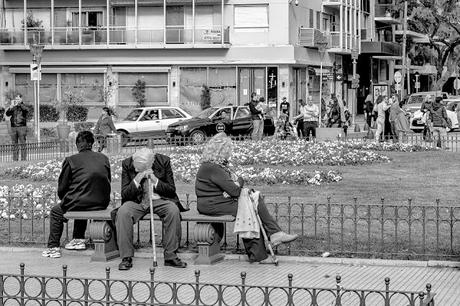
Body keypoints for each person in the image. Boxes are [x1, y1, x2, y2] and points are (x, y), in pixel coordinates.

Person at [195, 133, 298, 263]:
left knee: (253, 201)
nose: (230, 154)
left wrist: (234, 185)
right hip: (212, 204)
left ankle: (270, 241)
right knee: (249, 208)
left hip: (214, 202)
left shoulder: (211, 166)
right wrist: (240, 181)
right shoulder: (213, 167)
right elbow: (235, 190)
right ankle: (268, 243)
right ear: (222, 151)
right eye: (228, 151)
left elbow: (229, 188)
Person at [114, 147, 188, 270]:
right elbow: (125, 194)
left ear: (151, 163)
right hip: (137, 201)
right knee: (123, 212)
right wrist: (137, 178)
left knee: (173, 211)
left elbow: (171, 190)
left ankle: (171, 256)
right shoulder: (127, 164)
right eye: (136, 167)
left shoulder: (164, 161)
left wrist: (154, 180)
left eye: (141, 168)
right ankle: (126, 257)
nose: (136, 169)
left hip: (159, 199)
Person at [42, 131, 111, 258]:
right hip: (101, 202)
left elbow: (62, 186)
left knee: (56, 211)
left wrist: (65, 199)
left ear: (77, 145)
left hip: (80, 201)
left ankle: (53, 247)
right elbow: (108, 180)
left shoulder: (71, 160)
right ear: (91, 143)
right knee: (81, 199)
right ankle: (78, 239)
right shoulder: (103, 158)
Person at [5, 94, 28, 161]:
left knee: (23, 143)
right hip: (13, 127)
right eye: (16, 99)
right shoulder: (13, 107)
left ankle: (23, 159)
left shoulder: (24, 106)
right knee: (14, 143)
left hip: (22, 127)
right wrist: (11, 106)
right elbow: (7, 114)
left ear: (21, 99)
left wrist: (20, 103)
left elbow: (26, 111)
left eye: (18, 99)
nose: (17, 101)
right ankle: (15, 159)